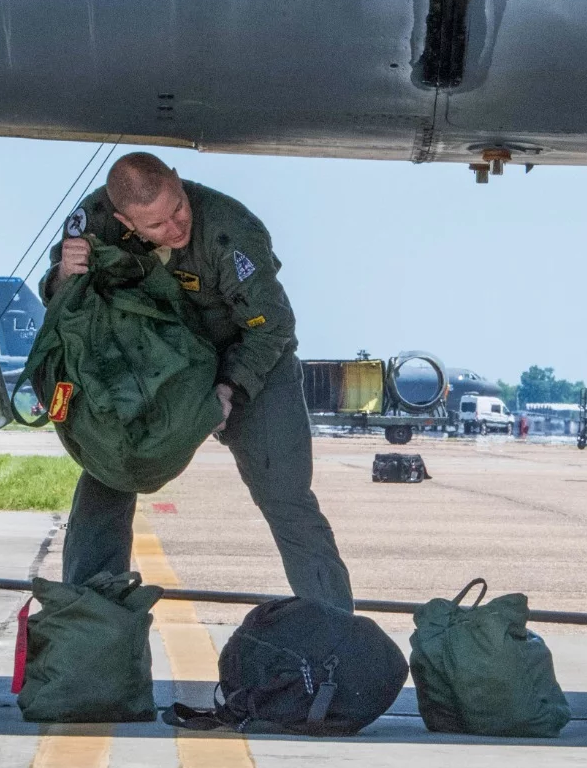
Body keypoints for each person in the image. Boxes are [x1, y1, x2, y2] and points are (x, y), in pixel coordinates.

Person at [42, 152, 355, 610]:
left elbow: (273, 328)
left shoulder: (231, 230)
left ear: (176, 178)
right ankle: (89, 623)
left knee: (285, 496)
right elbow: (65, 303)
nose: (175, 227)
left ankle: (335, 628)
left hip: (247, 356)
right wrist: (62, 276)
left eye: (179, 207)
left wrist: (230, 389)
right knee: (109, 471)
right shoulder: (93, 223)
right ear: (125, 221)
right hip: (159, 367)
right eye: (156, 226)